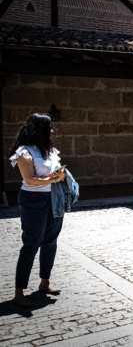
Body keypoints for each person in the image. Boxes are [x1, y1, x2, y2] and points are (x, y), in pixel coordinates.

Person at [9, 113, 66, 307]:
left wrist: (61, 175)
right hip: (33, 201)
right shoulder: (24, 152)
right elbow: (30, 180)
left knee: (50, 241)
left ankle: (44, 283)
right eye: (49, 128)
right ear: (39, 130)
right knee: (31, 243)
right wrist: (53, 178)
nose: (52, 131)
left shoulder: (50, 151)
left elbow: (54, 173)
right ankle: (19, 292)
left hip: (53, 199)